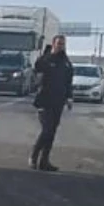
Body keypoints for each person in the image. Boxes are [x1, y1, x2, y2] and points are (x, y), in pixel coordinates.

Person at [31, 34, 74, 171]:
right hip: (44, 100)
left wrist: (69, 98)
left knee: (52, 132)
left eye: (62, 44)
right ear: (53, 44)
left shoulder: (66, 62)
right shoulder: (46, 59)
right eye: (58, 43)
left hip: (58, 102)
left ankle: (44, 161)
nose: (60, 46)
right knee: (47, 130)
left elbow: (68, 82)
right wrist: (44, 55)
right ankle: (33, 157)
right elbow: (36, 69)